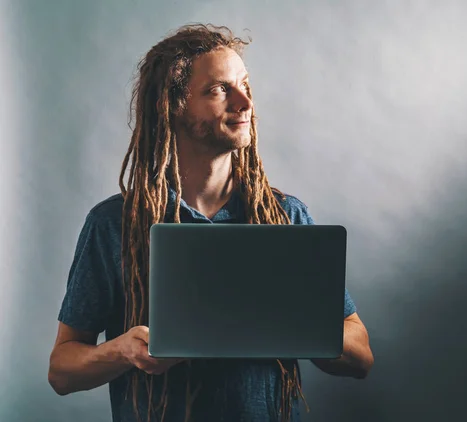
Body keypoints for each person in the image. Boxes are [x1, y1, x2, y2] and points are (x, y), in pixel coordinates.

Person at [48, 23, 374, 422]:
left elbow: (361, 356)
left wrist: (291, 322)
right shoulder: (114, 223)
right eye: (219, 90)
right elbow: (62, 370)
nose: (245, 102)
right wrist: (121, 351)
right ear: (173, 106)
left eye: (245, 84)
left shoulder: (285, 218)